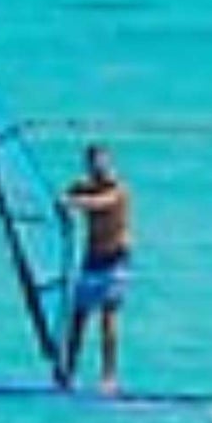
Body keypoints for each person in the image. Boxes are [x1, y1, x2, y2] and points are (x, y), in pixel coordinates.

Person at [59, 143, 134, 391]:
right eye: (93, 164)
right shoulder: (84, 186)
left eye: (103, 163)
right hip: (90, 260)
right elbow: (62, 196)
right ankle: (67, 373)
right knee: (78, 318)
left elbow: (101, 203)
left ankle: (109, 377)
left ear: (110, 163)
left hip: (116, 261)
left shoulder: (119, 190)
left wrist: (72, 202)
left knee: (108, 317)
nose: (98, 169)